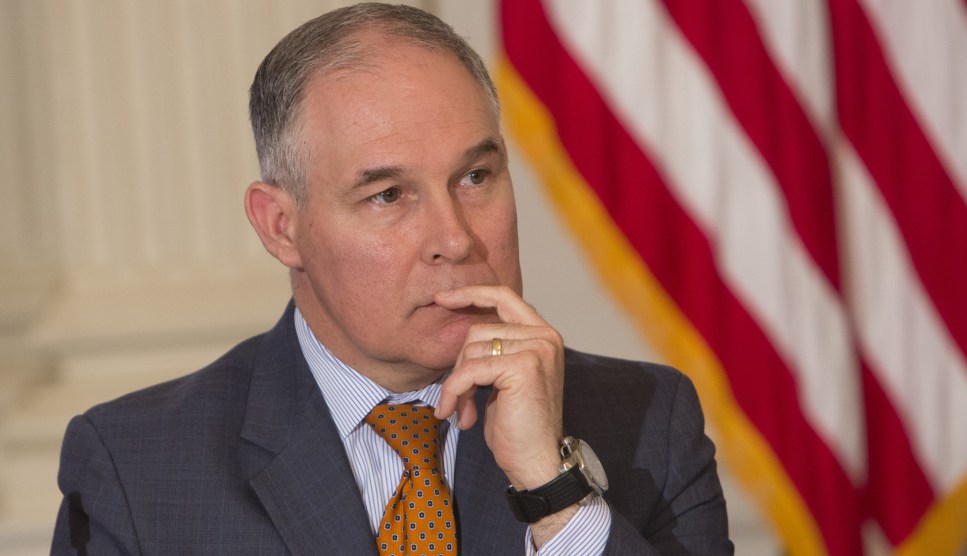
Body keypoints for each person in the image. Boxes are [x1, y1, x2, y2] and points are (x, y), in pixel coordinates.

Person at [51, 3, 732, 554]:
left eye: (475, 177)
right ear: (281, 227)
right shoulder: (138, 468)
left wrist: (554, 496)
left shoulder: (649, 421)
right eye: (387, 195)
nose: (455, 239)